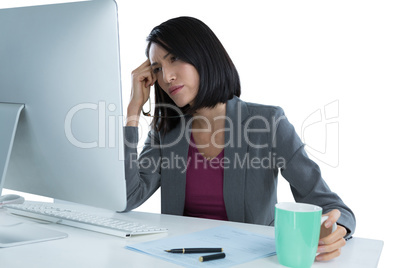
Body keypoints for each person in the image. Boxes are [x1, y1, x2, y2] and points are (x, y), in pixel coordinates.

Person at [124, 16, 356, 262]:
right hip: (180, 258)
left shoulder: (268, 123)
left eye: (174, 58)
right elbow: (129, 196)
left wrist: (337, 228)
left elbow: (332, 206)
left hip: (253, 262)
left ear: (204, 56)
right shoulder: (165, 131)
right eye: (157, 68)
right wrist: (133, 111)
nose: (167, 76)